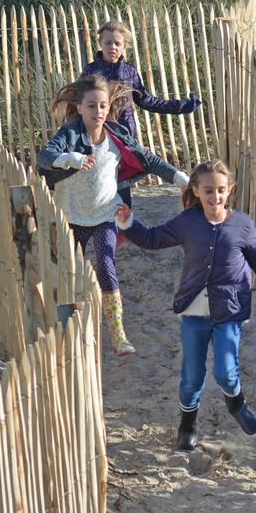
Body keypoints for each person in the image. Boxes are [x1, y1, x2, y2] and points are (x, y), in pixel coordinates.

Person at [113, 160, 256, 451]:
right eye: (208, 191)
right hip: (194, 310)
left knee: (225, 372)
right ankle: (187, 424)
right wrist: (128, 222)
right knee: (192, 375)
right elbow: (153, 239)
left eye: (220, 190)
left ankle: (237, 404)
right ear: (196, 191)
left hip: (230, 310)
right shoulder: (188, 222)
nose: (215, 197)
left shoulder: (242, 224)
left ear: (229, 190)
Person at [38, 73, 188, 356]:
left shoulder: (117, 135)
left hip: (106, 214)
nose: (98, 111)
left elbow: (149, 159)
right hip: (71, 217)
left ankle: (118, 336)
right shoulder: (69, 134)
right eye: (91, 105)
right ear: (79, 107)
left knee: (106, 265)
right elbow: (44, 156)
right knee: (67, 272)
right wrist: (68, 158)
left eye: (103, 105)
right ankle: (68, 330)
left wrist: (177, 177)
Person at [79, 19, 203, 208]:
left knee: (122, 184)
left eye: (117, 43)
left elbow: (146, 100)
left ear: (124, 46)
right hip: (99, 135)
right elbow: (79, 101)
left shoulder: (129, 72)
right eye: (108, 42)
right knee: (101, 180)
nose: (112, 47)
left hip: (125, 135)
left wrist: (180, 106)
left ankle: (123, 222)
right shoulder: (91, 71)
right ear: (100, 43)